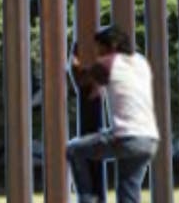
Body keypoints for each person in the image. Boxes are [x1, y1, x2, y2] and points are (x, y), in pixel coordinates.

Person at [67, 24, 159, 203]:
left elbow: (81, 80)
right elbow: (116, 84)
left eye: (99, 48)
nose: (98, 54)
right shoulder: (140, 62)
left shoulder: (108, 62)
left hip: (127, 138)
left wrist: (73, 59)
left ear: (111, 46)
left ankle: (88, 199)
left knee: (75, 150)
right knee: (128, 192)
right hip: (148, 140)